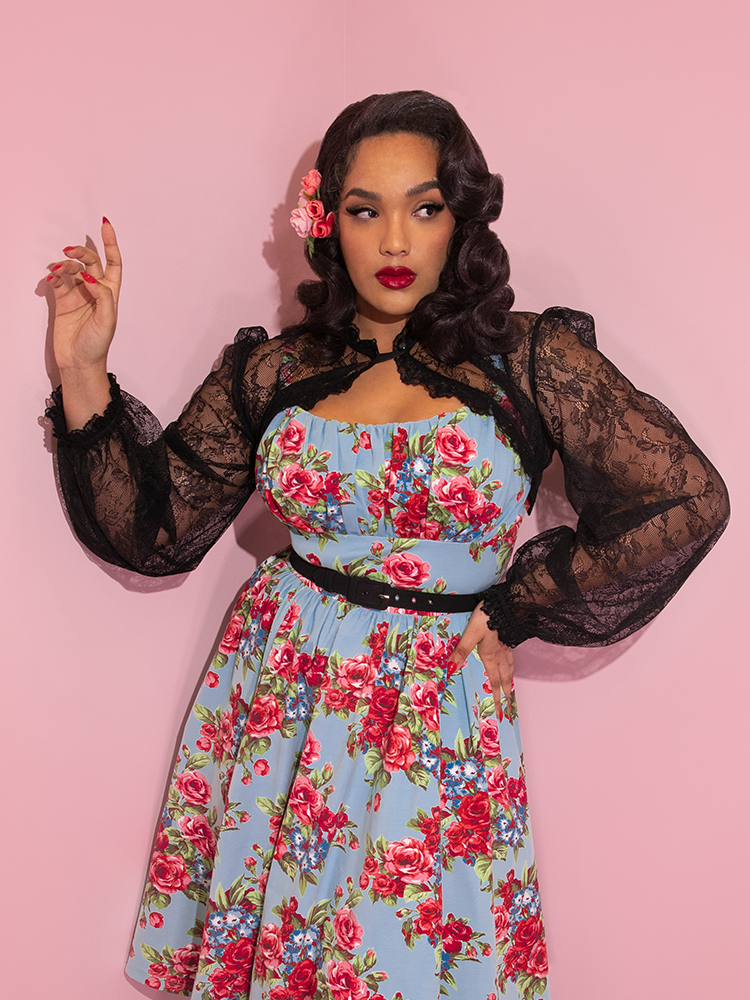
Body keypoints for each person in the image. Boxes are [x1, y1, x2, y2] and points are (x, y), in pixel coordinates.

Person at [44, 91, 729, 1000]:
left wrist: (520, 606)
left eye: (425, 208)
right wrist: (82, 367)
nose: (396, 241)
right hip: (279, 696)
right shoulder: (277, 368)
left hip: (432, 710)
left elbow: (686, 497)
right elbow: (156, 529)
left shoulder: (526, 360)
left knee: (401, 960)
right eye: (366, 211)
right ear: (329, 222)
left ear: (461, 220)